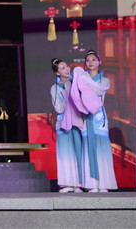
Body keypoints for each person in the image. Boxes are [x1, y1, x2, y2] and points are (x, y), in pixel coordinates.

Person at [74, 50, 117, 192]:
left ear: (99, 62)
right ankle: (92, 183)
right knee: (88, 149)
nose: (90, 62)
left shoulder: (104, 80)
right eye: (88, 60)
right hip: (86, 117)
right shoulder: (81, 79)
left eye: (93, 59)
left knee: (101, 150)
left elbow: (98, 91)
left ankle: (103, 184)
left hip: (99, 118)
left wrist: (84, 79)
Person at [50, 58, 82, 193]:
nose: (67, 69)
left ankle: (78, 184)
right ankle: (67, 183)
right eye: (62, 68)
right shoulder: (55, 88)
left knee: (78, 153)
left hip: (77, 122)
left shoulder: (76, 82)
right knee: (64, 154)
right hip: (63, 123)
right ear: (57, 73)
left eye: (67, 66)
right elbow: (59, 108)